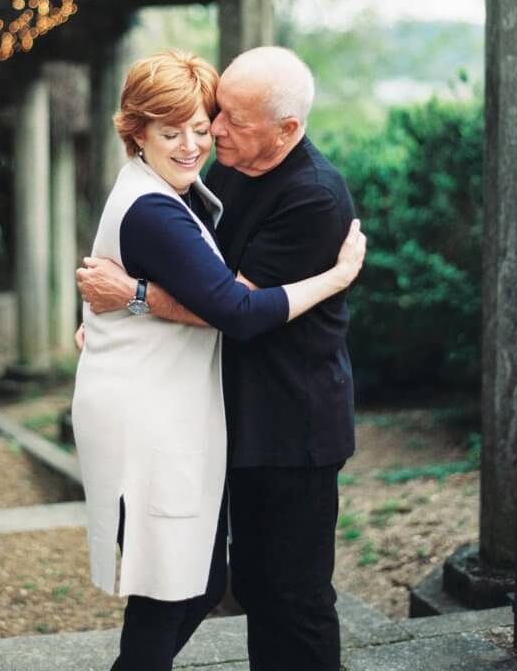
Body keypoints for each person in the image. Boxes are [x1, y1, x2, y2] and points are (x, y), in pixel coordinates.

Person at [71, 48, 365, 671]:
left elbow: (234, 305)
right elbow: (184, 266)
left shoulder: (312, 196)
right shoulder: (223, 161)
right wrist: (113, 320)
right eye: (214, 115)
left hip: (294, 421)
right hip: (217, 412)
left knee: (294, 595)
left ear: (286, 130)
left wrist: (134, 300)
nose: (213, 132)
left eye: (228, 121)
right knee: (237, 585)